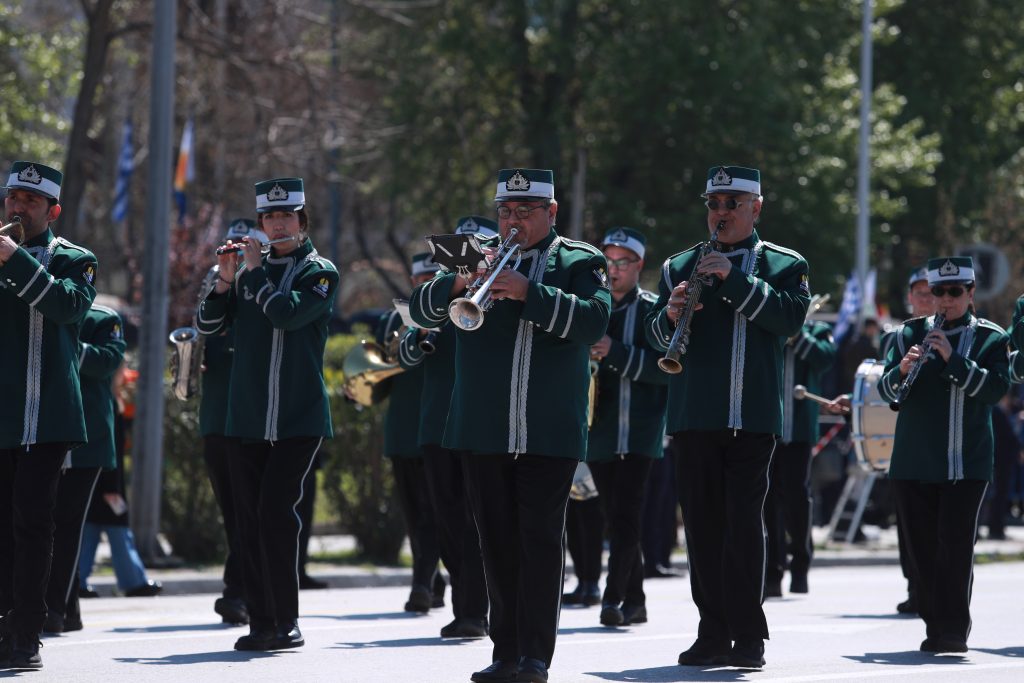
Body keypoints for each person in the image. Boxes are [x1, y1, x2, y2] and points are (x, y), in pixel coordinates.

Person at [411, 168, 611, 683]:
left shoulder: (579, 260)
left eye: (525, 212)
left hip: (549, 429)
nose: (513, 221)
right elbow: (420, 309)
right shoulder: (475, 252)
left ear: (551, 213)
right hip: (483, 428)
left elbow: (593, 321)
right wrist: (458, 282)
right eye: (506, 211)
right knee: (495, 540)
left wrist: (529, 292)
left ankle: (535, 657)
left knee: (540, 541)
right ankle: (504, 652)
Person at [645, 165, 809, 669]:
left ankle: (748, 634)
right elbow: (654, 339)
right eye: (714, 204)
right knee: (702, 527)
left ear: (756, 207)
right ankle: (711, 631)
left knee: (743, 525)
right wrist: (668, 316)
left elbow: (789, 319)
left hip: (753, 416)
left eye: (732, 204)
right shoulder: (679, 265)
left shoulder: (784, 264)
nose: (720, 213)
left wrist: (734, 279)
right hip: (694, 415)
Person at [197, 177, 338, 652]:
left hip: (299, 415)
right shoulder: (241, 271)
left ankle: (287, 621)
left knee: (277, 512)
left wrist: (252, 273)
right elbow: (206, 325)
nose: (277, 224)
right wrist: (223, 278)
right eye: (269, 218)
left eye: (286, 217)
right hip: (248, 415)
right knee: (249, 519)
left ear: (302, 221)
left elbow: (285, 314)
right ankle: (261, 623)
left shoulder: (319, 271)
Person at [878, 256, 1009, 654]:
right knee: (920, 553)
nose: (946, 301)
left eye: (955, 293)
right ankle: (935, 620)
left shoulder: (991, 338)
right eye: (939, 292)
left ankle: (950, 631)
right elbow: (884, 392)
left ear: (970, 294)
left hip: (965, 462)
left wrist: (954, 360)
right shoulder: (906, 335)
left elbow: (994, 390)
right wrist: (900, 371)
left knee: (953, 548)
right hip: (913, 461)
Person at [0, 161, 97, 670]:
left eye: (30, 201)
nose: (17, 207)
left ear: (52, 210)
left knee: (33, 524)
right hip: (2, 416)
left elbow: (66, 308)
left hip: (50, 417)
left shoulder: (76, 260)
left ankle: (27, 634)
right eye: (12, 198)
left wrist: (14, 260)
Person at [399, 217, 495, 638]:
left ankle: (474, 610)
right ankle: (466, 603)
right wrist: (421, 328)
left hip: (477, 422)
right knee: (446, 520)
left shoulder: (493, 288)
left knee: (479, 520)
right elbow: (405, 356)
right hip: (436, 424)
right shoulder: (437, 289)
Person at [587, 227, 669, 627]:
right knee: (616, 517)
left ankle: (613, 599)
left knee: (626, 517)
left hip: (640, 434)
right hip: (599, 432)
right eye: (607, 263)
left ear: (638, 266)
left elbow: (666, 371)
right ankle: (636, 601)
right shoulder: (592, 307)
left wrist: (614, 352)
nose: (613, 271)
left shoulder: (656, 310)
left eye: (621, 263)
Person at [197, 218, 267, 625]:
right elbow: (203, 327)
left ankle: (239, 591)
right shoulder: (217, 281)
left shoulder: (263, 281)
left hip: (251, 416)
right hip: (217, 416)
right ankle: (241, 589)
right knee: (234, 511)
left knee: (252, 510)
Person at [43, 302, 126, 634]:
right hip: (44, 433)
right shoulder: (35, 310)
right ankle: (69, 609)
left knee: (65, 526)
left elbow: (108, 362)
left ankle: (54, 608)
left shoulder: (104, 318)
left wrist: (64, 338)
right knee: (42, 523)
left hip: (87, 440)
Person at [380, 253, 445, 615]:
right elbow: (378, 372)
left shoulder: (453, 316)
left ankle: (421, 583)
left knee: (432, 515)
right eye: (420, 280)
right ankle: (432, 580)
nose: (424, 285)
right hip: (402, 431)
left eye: (431, 280)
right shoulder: (394, 318)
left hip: (436, 430)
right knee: (413, 514)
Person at [764, 308, 835, 598]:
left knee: (797, 498)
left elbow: (825, 357)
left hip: (799, 430)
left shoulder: (816, 330)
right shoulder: (767, 323)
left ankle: (801, 565)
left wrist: (798, 334)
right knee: (766, 500)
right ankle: (772, 571)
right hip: (767, 428)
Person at [77, 364, 162, 600]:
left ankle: (79, 581)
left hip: (103, 478)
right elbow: (110, 446)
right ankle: (132, 581)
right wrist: (111, 486)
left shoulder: (113, 402)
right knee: (117, 531)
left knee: (91, 531)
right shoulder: (108, 403)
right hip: (107, 478)